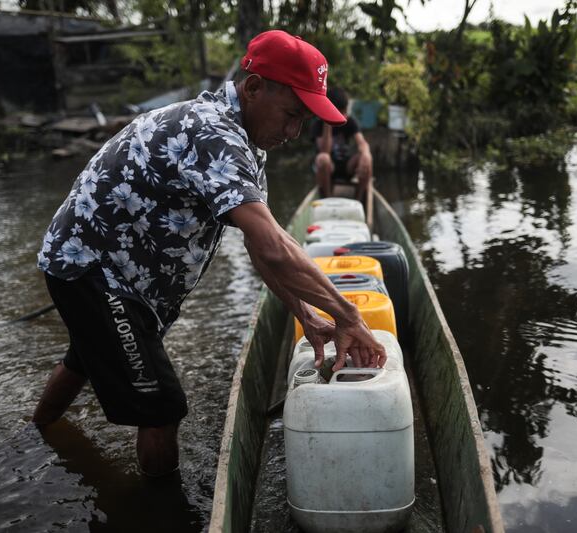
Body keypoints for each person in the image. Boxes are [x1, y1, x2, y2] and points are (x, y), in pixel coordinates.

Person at [32, 30, 387, 477]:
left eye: (304, 122)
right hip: (93, 270)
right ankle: (162, 512)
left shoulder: (247, 138)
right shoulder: (213, 133)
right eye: (292, 115)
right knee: (161, 407)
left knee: (85, 356)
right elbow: (276, 248)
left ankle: (37, 430)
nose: (295, 132)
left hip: (121, 274)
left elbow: (264, 244)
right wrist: (348, 315)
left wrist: (306, 313)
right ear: (254, 87)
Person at [312, 86, 373, 203]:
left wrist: (365, 154)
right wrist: (328, 123)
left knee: (367, 158)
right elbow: (325, 151)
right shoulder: (318, 125)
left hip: (346, 166)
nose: (344, 115)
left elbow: (362, 143)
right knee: (323, 158)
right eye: (342, 111)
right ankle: (328, 198)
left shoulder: (350, 121)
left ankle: (359, 200)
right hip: (328, 169)